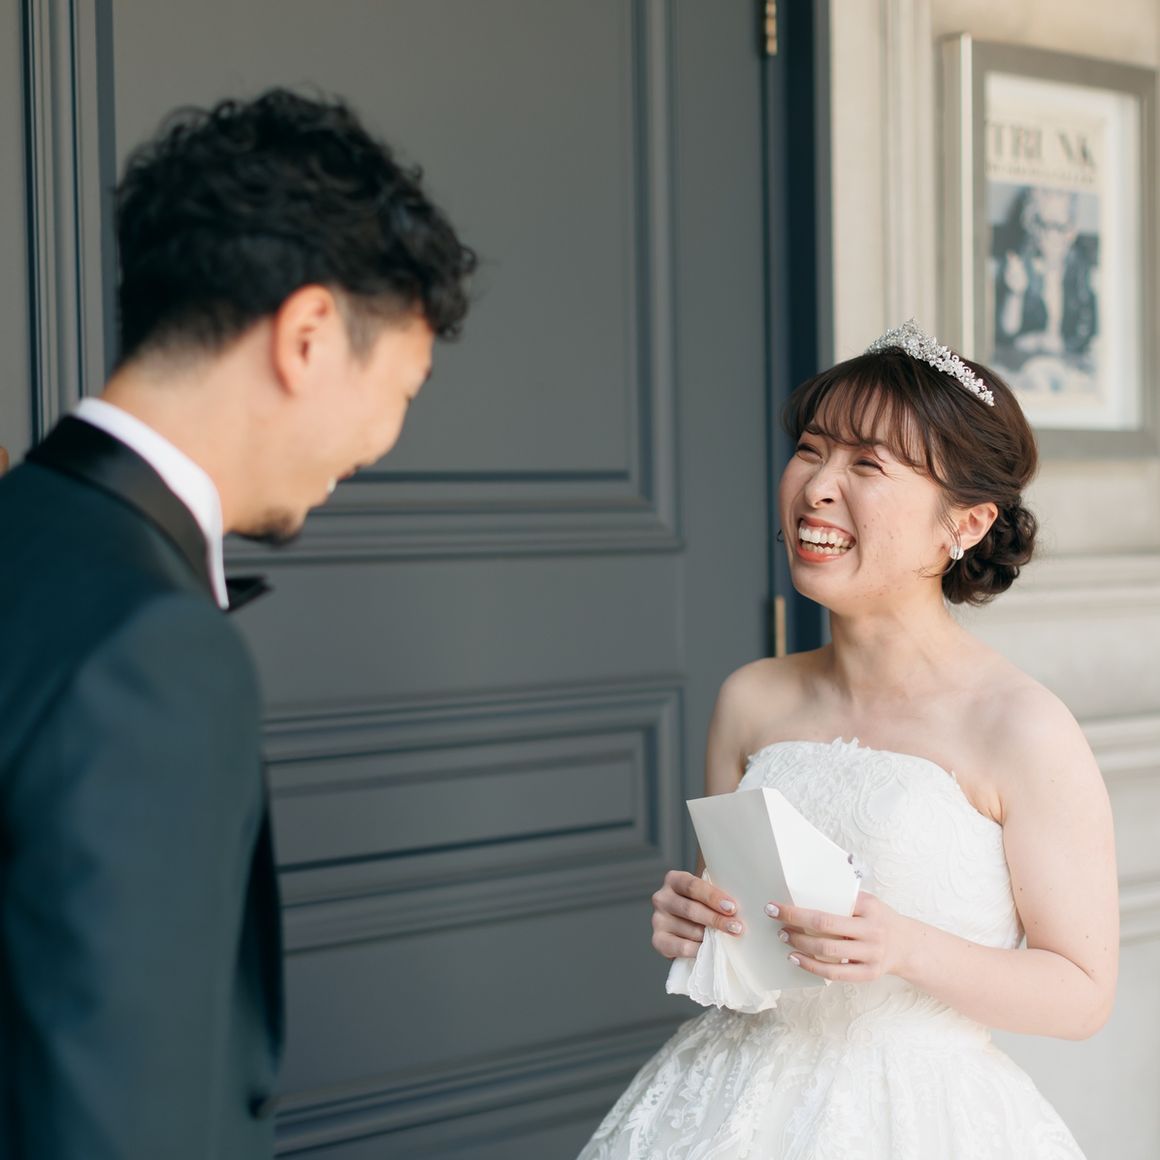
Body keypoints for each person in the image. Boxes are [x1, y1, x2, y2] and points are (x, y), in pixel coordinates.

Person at [0, 89, 474, 1159]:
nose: (381, 442)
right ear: (307, 337)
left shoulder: (19, 528)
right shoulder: (153, 647)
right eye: (401, 389)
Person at [578, 320, 1116, 1159]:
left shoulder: (1021, 727)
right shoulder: (750, 699)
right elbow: (746, 959)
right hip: (731, 1103)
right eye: (810, 450)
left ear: (965, 524)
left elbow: (1082, 994)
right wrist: (698, 929)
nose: (818, 487)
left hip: (919, 1117)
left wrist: (906, 947)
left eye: (867, 465)